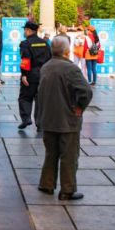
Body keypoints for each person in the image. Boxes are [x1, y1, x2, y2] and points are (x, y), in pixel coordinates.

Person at [36, 36, 92, 200]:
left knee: (50, 153)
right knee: (69, 155)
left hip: (48, 117)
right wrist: (80, 107)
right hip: (67, 119)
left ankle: (47, 184)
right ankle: (67, 190)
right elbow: (86, 92)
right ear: (67, 52)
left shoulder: (46, 66)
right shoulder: (70, 68)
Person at [18, 21, 51, 130]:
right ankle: (40, 123)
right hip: (43, 74)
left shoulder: (25, 43)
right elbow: (50, 59)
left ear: (28, 30)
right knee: (40, 99)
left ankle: (26, 119)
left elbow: (25, 60)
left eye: (25, 30)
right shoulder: (45, 43)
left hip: (30, 74)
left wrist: (24, 75)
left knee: (25, 97)